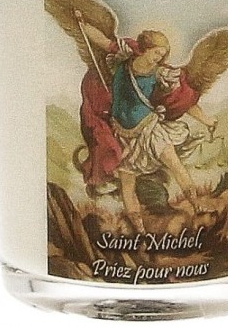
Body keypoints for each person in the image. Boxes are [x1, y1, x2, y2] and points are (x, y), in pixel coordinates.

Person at [78, 24, 217, 233]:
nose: (159, 58)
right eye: (156, 53)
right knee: (127, 185)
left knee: (175, 164)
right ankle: (140, 229)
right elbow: (101, 41)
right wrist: (83, 24)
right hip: (122, 135)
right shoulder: (122, 58)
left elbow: (181, 102)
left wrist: (207, 120)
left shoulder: (161, 74)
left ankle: (196, 204)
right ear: (144, 49)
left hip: (150, 129)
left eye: (162, 55)